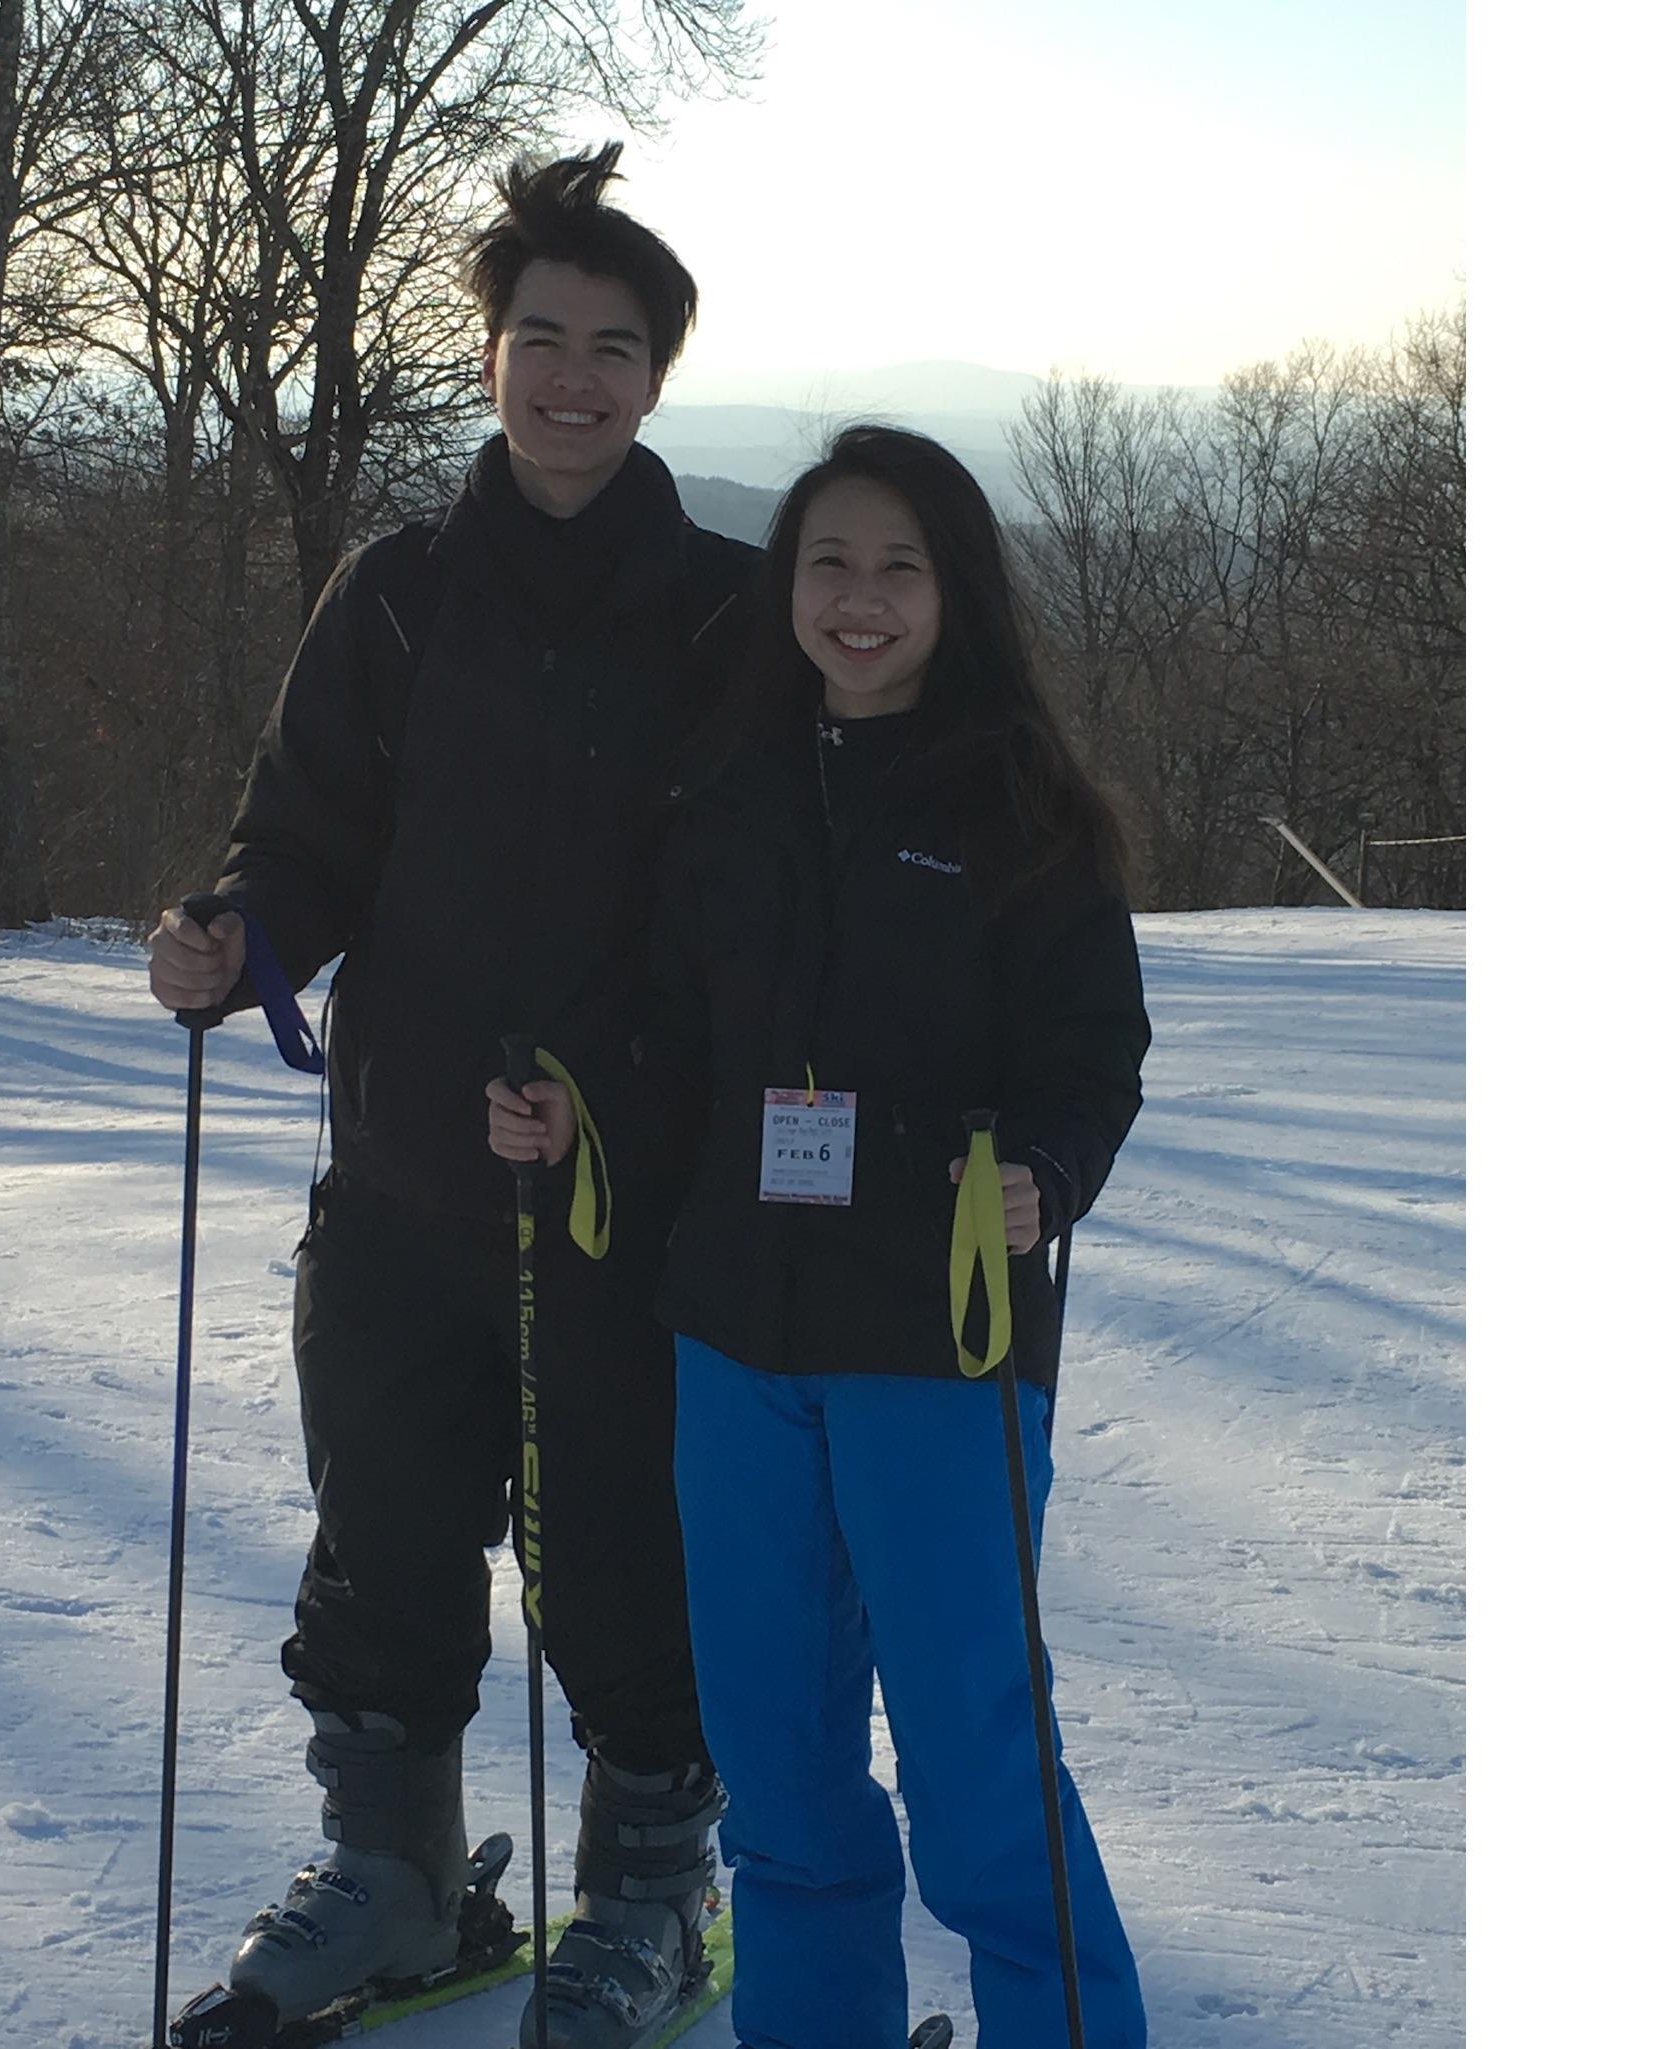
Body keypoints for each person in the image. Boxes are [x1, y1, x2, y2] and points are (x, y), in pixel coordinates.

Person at [148, 145, 756, 2049]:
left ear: (658, 376)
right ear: (486, 353)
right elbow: (307, 836)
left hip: (629, 1206)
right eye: (542, 339)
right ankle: (395, 1874)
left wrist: (619, 1097)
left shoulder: (731, 620)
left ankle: (653, 1883)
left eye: (616, 347)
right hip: (403, 1175)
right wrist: (234, 933)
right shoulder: (398, 594)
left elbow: (751, 931)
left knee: (625, 1557)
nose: (573, 377)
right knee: (386, 1532)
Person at [488, 426, 1153, 2048]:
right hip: (734, 1336)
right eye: (828, 564)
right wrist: (582, 1111)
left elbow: (1092, 1052)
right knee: (779, 1758)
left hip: (940, 1339)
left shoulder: (1017, 802)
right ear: (787, 582)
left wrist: (1045, 1174)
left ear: (955, 592)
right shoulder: (730, 784)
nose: (859, 600)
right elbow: (668, 1036)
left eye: (898, 567)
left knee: (972, 1758)